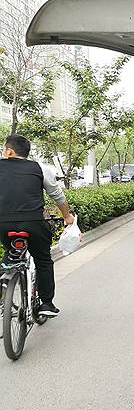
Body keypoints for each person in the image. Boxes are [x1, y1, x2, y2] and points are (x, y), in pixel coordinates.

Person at [0, 134, 75, 317]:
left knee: (10, 255)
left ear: (9, 151)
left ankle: (4, 289)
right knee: (43, 260)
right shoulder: (40, 168)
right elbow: (57, 196)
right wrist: (67, 217)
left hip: (3, 223)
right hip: (33, 223)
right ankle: (47, 304)